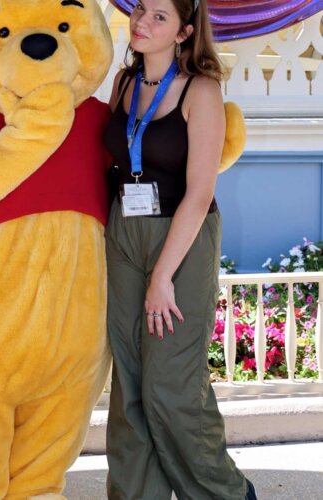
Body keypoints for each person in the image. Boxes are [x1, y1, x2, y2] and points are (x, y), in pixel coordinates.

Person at [103, 0, 257, 498]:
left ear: (185, 32)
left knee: (172, 385)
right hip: (124, 230)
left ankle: (226, 493)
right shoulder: (124, 83)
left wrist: (162, 276)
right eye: (140, 9)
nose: (141, 21)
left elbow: (200, 193)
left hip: (182, 239)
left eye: (159, 17)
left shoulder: (201, 90)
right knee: (129, 382)